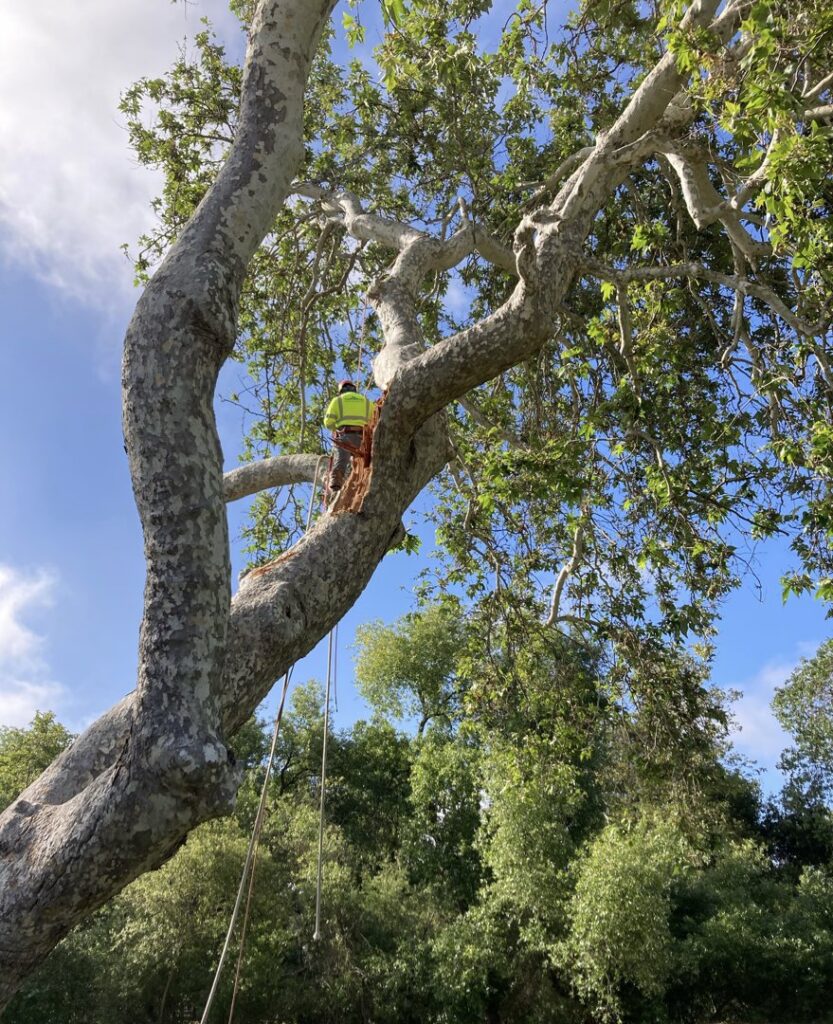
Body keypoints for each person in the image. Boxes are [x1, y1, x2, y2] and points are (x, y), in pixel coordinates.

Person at [323, 380, 373, 491]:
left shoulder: (338, 400)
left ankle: (336, 481)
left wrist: (335, 428)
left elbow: (328, 422)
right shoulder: (366, 401)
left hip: (345, 436)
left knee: (341, 461)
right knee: (364, 465)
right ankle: (364, 483)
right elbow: (374, 419)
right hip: (364, 439)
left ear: (341, 390)